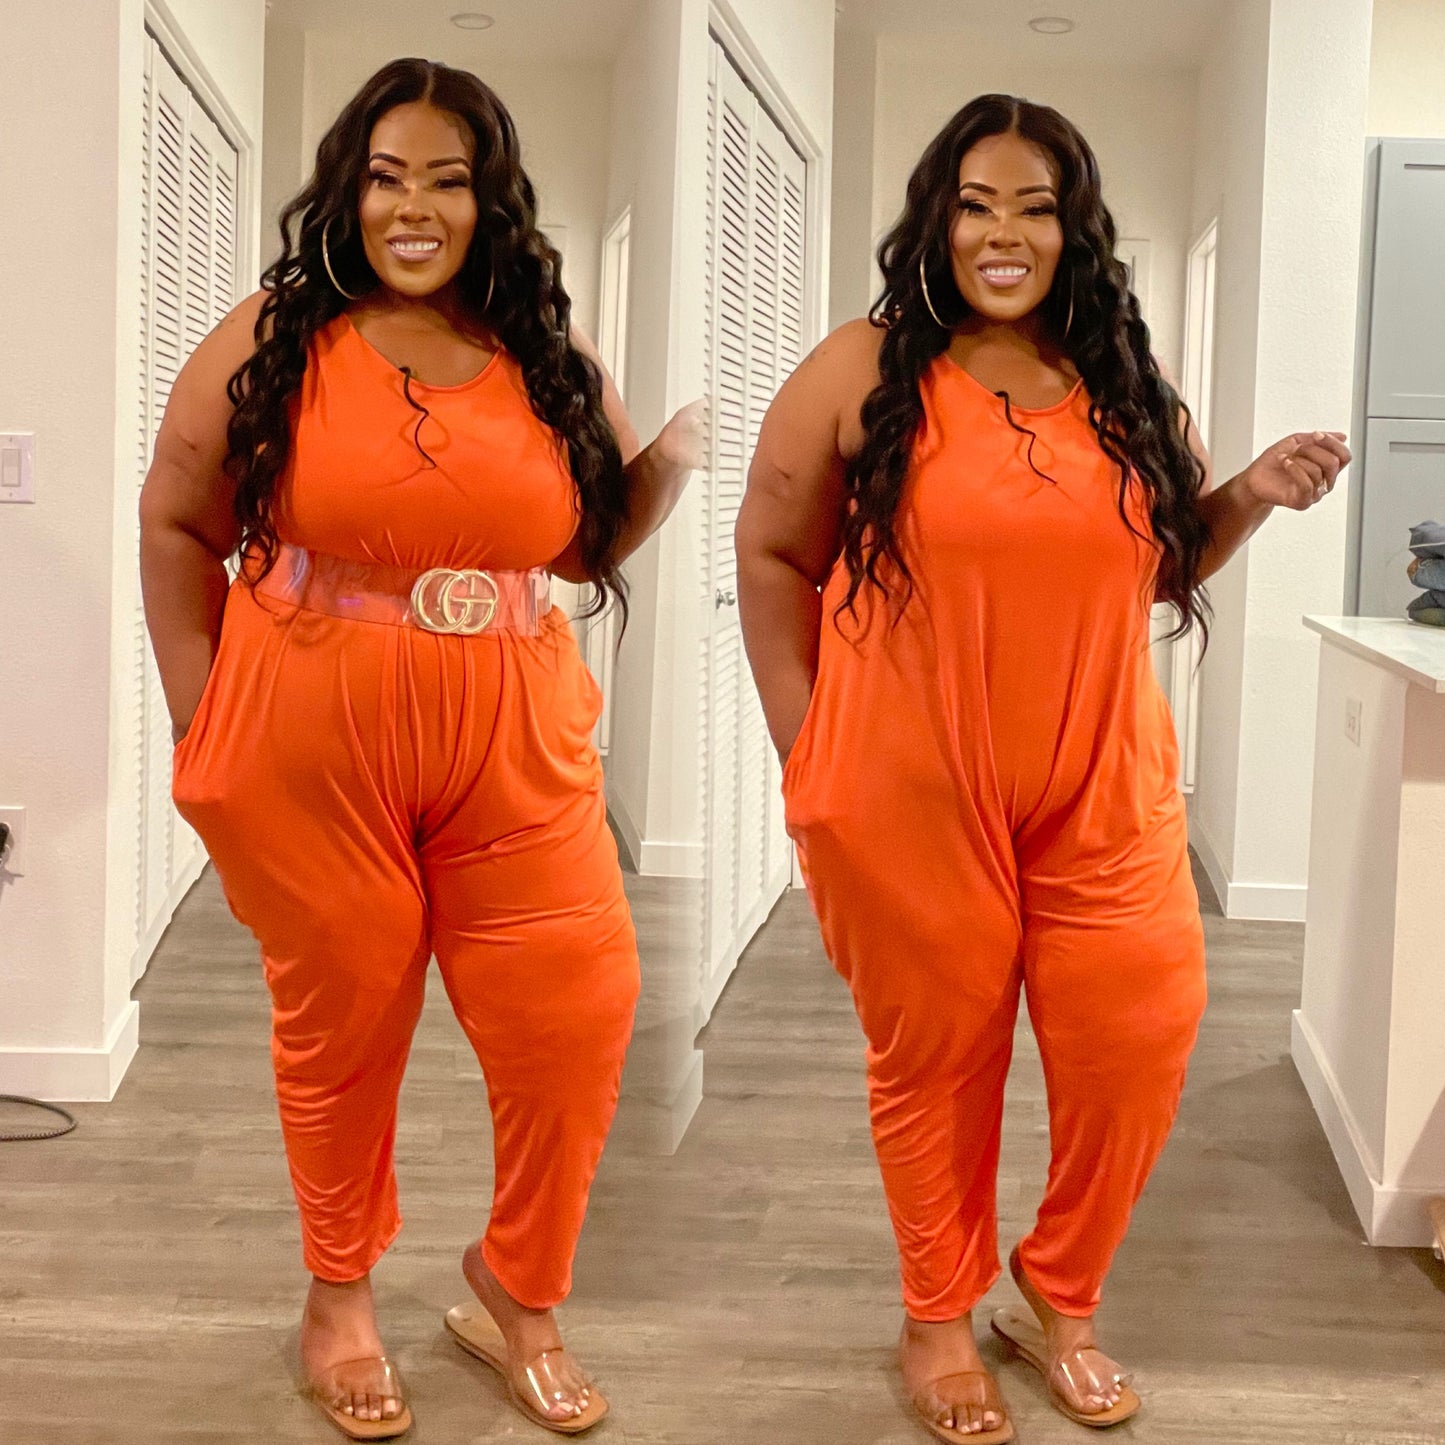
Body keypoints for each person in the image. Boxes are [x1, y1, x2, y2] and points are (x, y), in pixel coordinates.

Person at [736, 94, 1348, 1443]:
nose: (1002, 233)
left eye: (1034, 207)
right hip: (906, 782)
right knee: (938, 1061)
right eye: (975, 204)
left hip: (1101, 775)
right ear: (935, 222)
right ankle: (936, 1316)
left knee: (1142, 1032)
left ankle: (1056, 1295)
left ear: (1075, 231)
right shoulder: (860, 369)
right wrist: (805, 745)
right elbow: (772, 552)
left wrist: (1246, 494)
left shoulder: (1126, 386)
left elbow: (1162, 561)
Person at [140, 58, 700, 1440]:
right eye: (386, 176)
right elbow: (177, 520)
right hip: (309, 728)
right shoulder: (278, 333)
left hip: (514, 729)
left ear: (487, 200)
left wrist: (671, 472)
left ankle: (519, 1287)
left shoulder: (544, 351)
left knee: (579, 1009)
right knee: (343, 1026)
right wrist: (201, 721)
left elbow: (583, 545)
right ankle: (338, 1297)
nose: (413, 206)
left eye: (446, 180)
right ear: (347, 190)